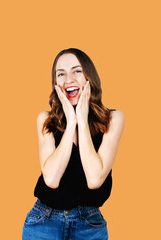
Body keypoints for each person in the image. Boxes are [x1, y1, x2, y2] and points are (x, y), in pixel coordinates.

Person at [22, 48, 125, 240]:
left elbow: (94, 179)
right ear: (56, 83)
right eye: (60, 74)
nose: (68, 79)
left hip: (89, 225)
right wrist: (70, 123)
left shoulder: (113, 119)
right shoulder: (45, 120)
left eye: (77, 71)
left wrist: (82, 120)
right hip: (43, 222)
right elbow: (51, 179)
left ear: (89, 76)